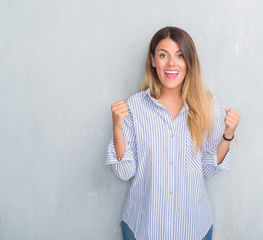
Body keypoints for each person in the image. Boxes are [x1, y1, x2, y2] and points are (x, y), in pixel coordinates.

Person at [106, 26, 241, 240]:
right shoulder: (134, 106)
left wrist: (228, 135)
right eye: (163, 55)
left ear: (189, 61)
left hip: (193, 228)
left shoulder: (207, 104)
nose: (171, 64)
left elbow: (209, 168)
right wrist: (117, 128)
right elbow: (125, 171)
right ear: (153, 60)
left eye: (180, 56)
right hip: (143, 228)